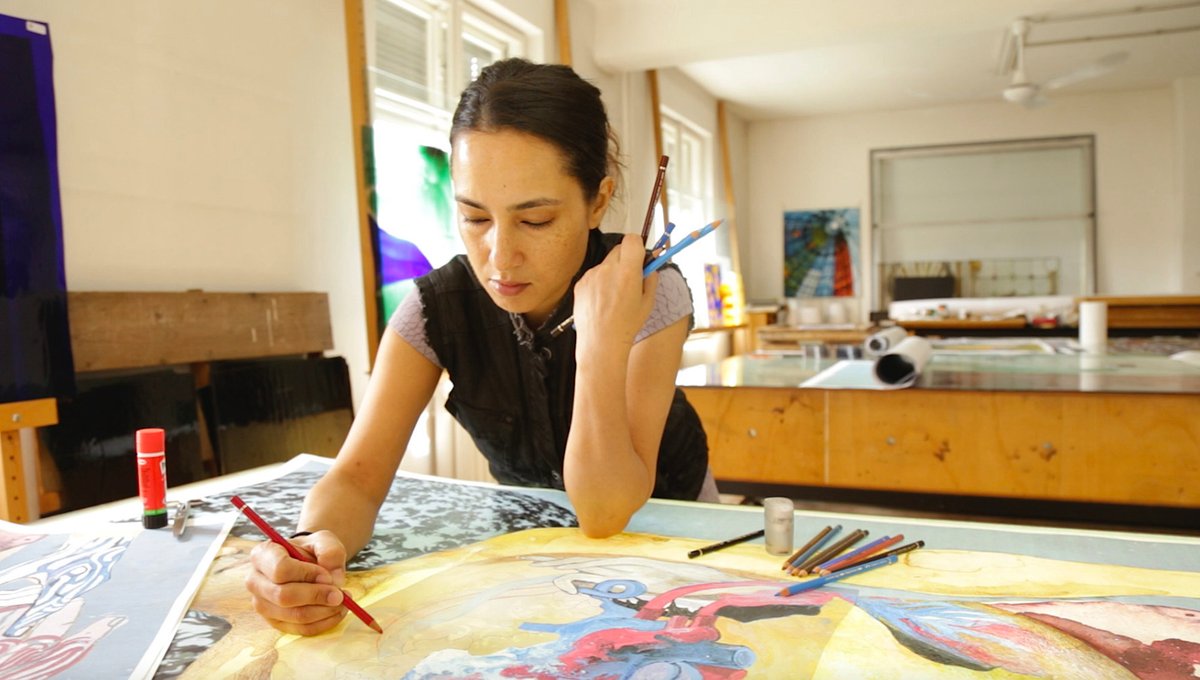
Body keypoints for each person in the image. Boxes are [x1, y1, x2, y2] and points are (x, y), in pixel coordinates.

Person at [244, 58, 715, 635]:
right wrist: (308, 551)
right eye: (473, 217)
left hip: (680, 539)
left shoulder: (648, 287)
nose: (500, 255)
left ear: (598, 202)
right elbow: (358, 478)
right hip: (539, 551)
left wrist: (599, 344)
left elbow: (605, 511)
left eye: (536, 219)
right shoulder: (433, 306)